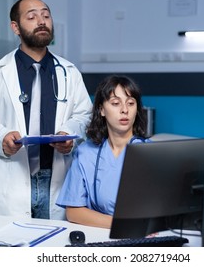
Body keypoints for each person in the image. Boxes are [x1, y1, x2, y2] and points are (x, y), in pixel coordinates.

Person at [0, 0, 92, 220]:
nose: (41, 21)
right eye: (32, 17)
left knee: (54, 250)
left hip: (57, 178)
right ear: (16, 27)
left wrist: (69, 135)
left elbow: (84, 115)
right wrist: (2, 137)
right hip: (12, 180)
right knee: (12, 250)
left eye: (46, 15)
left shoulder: (69, 72)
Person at [56, 75, 151, 228]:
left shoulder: (151, 153)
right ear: (101, 110)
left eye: (131, 103)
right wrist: (121, 225)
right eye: (115, 103)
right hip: (98, 237)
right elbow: (73, 211)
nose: (124, 110)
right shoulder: (85, 153)